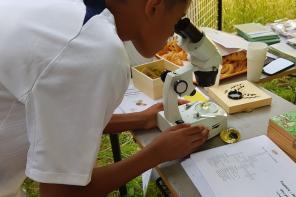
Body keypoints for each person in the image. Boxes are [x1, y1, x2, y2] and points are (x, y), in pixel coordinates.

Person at [0, 0, 210, 196]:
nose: (172, 33)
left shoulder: (66, 15)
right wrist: (156, 153)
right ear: (153, 6)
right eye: (176, 21)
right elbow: (61, 192)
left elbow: (62, 118)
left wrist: (141, 119)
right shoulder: (95, 52)